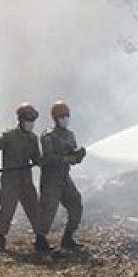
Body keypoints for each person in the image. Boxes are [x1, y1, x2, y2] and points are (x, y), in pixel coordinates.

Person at [0, 102, 51, 252]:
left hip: (26, 181)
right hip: (10, 181)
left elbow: (36, 157)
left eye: (33, 121)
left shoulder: (33, 138)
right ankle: (1, 238)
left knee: (35, 209)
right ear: (21, 121)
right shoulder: (9, 136)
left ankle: (40, 239)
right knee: (7, 210)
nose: (31, 124)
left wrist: (44, 162)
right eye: (29, 121)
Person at [39, 100, 86, 249]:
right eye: (62, 117)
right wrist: (68, 158)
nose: (65, 120)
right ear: (55, 119)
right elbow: (48, 158)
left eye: (67, 116)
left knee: (76, 204)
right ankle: (40, 240)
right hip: (51, 180)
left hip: (65, 178)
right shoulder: (48, 136)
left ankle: (68, 238)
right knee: (48, 211)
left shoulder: (70, 135)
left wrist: (79, 155)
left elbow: (73, 156)